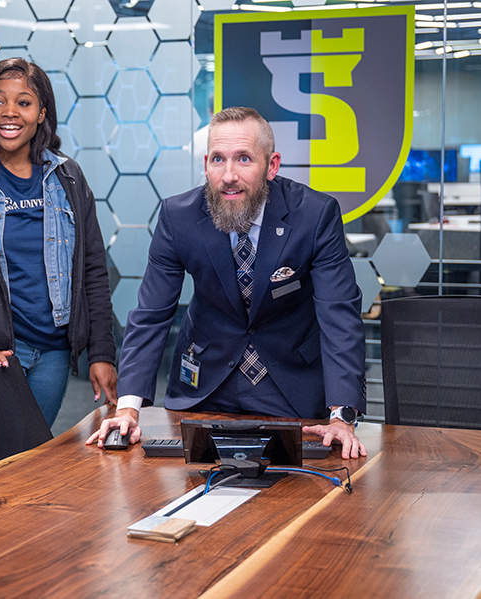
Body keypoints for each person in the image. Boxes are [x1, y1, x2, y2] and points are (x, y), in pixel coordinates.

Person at [87, 107, 368, 459]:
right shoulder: (179, 217)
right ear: (206, 164)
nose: (229, 175)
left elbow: (339, 316)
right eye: (218, 159)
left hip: (290, 387)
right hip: (206, 386)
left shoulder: (314, 215)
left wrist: (342, 415)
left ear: (272, 165)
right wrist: (127, 408)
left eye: (244, 159)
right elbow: (152, 314)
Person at [0, 57, 117, 427]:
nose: (9, 112)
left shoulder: (68, 177)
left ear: (42, 113)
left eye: (24, 102)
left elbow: (92, 272)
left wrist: (102, 352)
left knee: (30, 458)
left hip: (53, 354)